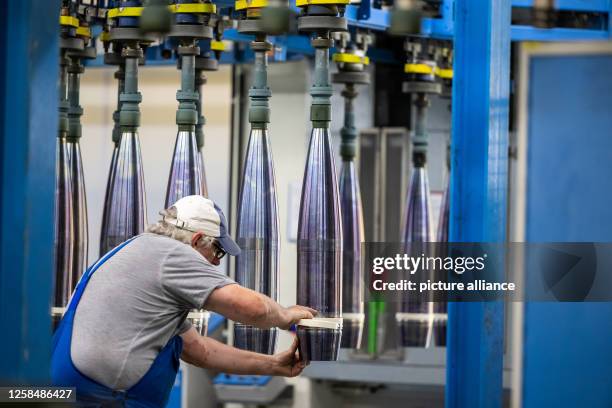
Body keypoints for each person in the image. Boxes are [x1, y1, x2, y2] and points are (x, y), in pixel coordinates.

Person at [51, 195, 316, 407]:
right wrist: (285, 315)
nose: (216, 263)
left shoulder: (139, 254)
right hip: (100, 397)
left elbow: (199, 350)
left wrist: (273, 365)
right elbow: (252, 308)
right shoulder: (171, 254)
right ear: (198, 239)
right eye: (218, 251)